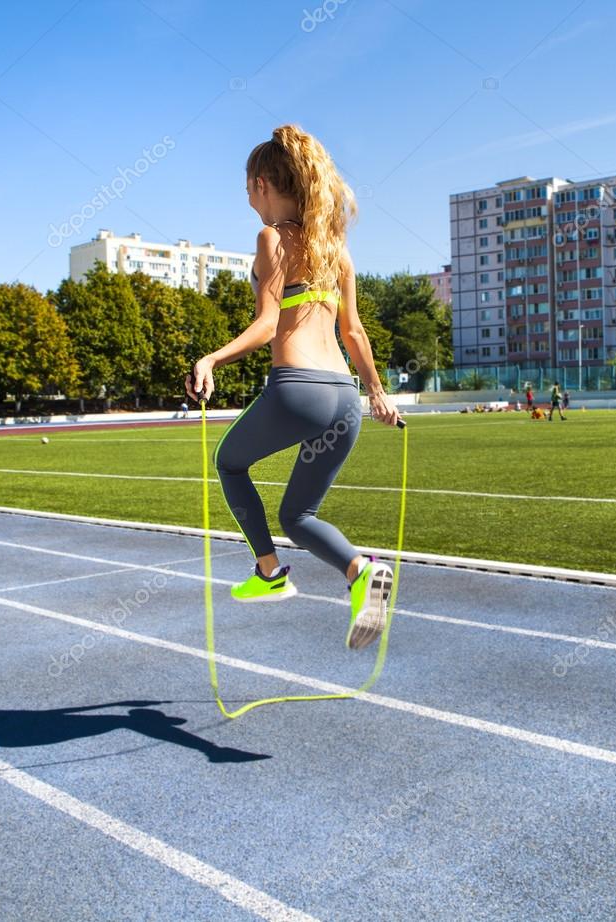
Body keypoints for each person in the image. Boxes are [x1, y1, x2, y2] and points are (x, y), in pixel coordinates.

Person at [185, 124, 403, 651]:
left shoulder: (272, 239)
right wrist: (377, 393)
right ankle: (359, 571)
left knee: (230, 464)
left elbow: (266, 327)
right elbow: (353, 332)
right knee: (297, 515)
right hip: (344, 400)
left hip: (297, 388)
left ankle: (269, 572)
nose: (250, 204)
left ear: (263, 184)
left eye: (248, 191)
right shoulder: (336, 250)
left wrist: (211, 358)